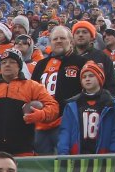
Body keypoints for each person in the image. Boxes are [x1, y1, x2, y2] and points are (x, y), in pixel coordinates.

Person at [0, 49, 58, 158]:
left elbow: (53, 107)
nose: (7, 65)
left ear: (19, 66)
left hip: (24, 150)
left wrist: (41, 114)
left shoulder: (32, 87)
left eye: (12, 62)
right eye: (4, 62)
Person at [30, 26, 87, 155]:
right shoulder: (41, 64)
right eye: (55, 39)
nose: (59, 41)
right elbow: (32, 90)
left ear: (71, 41)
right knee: (43, 164)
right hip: (42, 122)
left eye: (62, 38)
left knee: (65, 162)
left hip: (67, 120)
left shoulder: (81, 62)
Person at [57, 61, 115, 155]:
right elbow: (65, 131)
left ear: (100, 77)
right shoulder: (72, 104)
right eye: (84, 77)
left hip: (103, 156)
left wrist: (113, 153)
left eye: (91, 75)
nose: (87, 79)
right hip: (77, 156)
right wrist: (63, 153)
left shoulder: (111, 104)